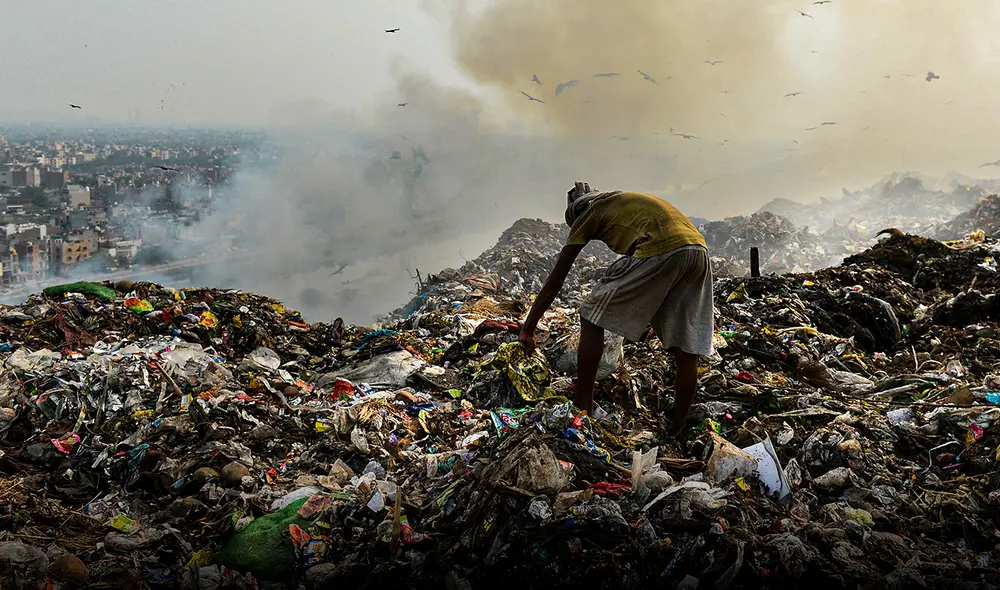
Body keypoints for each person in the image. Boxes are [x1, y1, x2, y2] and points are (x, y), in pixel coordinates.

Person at [518, 182, 715, 436]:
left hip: (662, 248)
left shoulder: (589, 212)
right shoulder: (621, 202)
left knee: (591, 316)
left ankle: (583, 407)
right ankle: (677, 428)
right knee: (685, 344)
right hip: (698, 251)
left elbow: (557, 278)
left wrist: (529, 327)